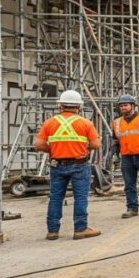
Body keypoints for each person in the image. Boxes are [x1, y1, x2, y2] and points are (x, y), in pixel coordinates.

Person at [34, 90, 102, 240]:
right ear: (79, 106)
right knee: (80, 197)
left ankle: (52, 231)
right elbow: (96, 144)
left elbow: (38, 144)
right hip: (79, 164)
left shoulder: (49, 122)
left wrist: (53, 149)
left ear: (60, 105)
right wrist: (83, 148)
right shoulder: (86, 123)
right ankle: (80, 229)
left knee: (56, 198)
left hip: (57, 164)